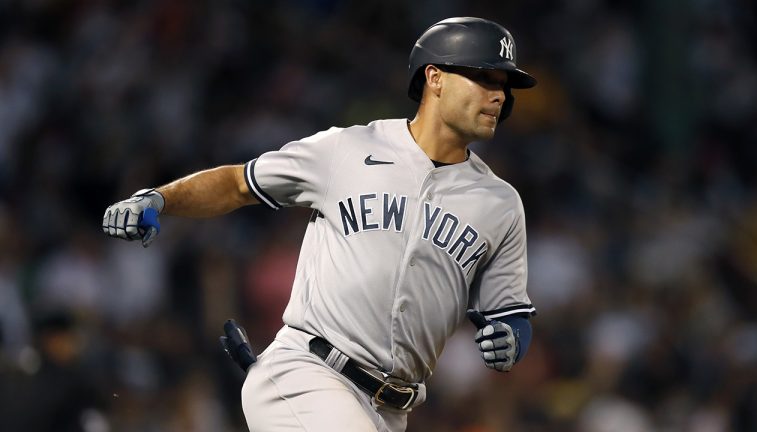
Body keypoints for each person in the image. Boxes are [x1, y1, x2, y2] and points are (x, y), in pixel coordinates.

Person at [103, 17, 537, 432]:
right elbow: (238, 182)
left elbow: (511, 313)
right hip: (307, 373)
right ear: (435, 77)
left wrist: (511, 340)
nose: (499, 95)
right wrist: (161, 197)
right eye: (486, 79)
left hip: (389, 410)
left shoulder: (500, 204)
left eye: (504, 86)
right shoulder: (347, 149)